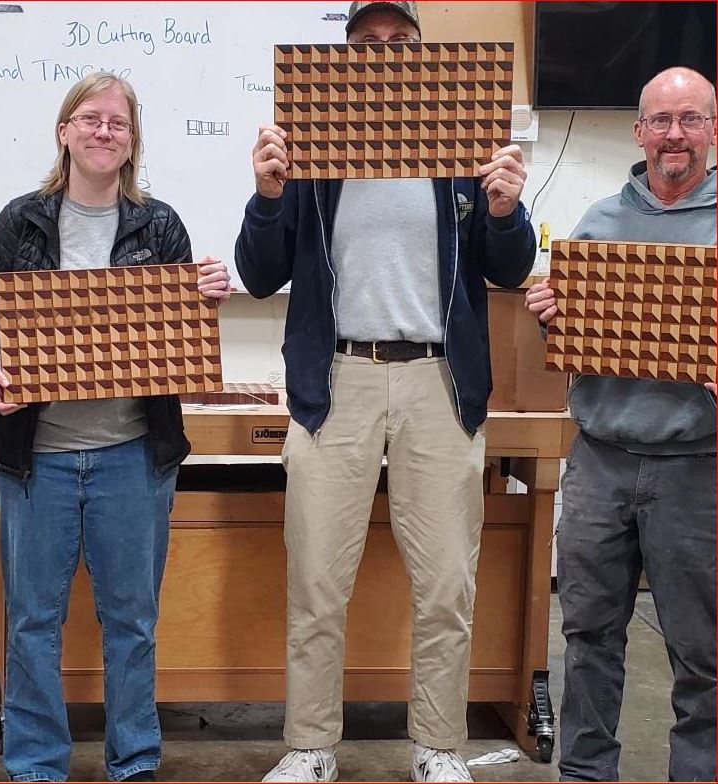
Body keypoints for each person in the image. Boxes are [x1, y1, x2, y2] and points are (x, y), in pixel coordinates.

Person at [235, 2, 537, 781]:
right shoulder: (313, 146)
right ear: (344, 58)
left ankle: (438, 747)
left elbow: (507, 267)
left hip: (440, 383)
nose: (384, 52)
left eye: (400, 41)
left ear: (421, 53)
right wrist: (269, 196)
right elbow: (261, 273)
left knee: (446, 583)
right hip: (337, 382)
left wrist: (504, 209)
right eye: (366, 42)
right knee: (315, 581)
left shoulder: (463, 140)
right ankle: (311, 747)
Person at [0, 72, 230, 783]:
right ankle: (36, 764)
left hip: (131, 455)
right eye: (90, 118)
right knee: (30, 624)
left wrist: (205, 301)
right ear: (64, 131)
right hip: (36, 458)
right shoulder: (20, 221)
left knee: (132, 624)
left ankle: (135, 760)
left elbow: (181, 334)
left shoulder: (160, 225)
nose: (103, 130)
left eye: (118, 121)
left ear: (132, 139)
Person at [525, 67, 716, 783]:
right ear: (639, 132)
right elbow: (569, 351)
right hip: (601, 461)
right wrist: (553, 321)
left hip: (698, 469)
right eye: (662, 121)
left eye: (691, 119)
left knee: (704, 655)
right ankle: (585, 775)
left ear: (713, 130)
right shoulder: (599, 226)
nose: (675, 135)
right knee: (589, 638)